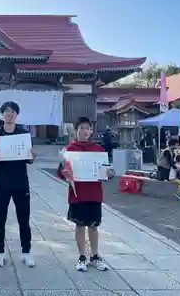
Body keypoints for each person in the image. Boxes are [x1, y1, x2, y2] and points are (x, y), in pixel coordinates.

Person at [57, 116, 115, 272]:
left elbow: (106, 172)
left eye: (88, 128)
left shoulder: (98, 150)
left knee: (94, 226)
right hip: (78, 193)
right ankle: (82, 257)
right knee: (80, 225)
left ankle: (95, 256)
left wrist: (109, 173)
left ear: (91, 131)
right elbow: (61, 173)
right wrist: (65, 172)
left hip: (94, 193)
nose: (85, 131)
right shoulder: (69, 150)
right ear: (76, 131)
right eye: (82, 128)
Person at [0, 101, 36, 268]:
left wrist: (32, 157)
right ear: (3, 115)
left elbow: (29, 159)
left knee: (24, 219)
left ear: (17, 115)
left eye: (13, 112)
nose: (10, 114)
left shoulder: (24, 134)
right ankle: (0, 252)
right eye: (7, 111)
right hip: (1, 182)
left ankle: (26, 252)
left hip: (20, 182)